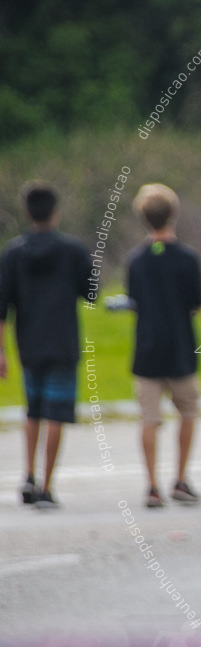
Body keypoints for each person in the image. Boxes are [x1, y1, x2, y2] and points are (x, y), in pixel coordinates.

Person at [0, 181, 94, 508]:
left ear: (28, 212)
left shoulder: (12, 252)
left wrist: (1, 350)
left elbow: (2, 306)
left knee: (33, 409)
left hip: (28, 342)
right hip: (62, 341)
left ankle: (27, 475)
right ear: (55, 211)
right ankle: (47, 485)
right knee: (57, 412)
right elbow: (91, 292)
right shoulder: (73, 250)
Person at [125, 184, 201, 508]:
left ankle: (152, 485)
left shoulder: (136, 260)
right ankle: (181, 479)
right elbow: (196, 303)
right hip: (181, 347)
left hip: (146, 348)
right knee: (187, 412)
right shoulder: (188, 258)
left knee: (149, 418)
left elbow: (133, 301)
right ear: (173, 214)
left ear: (142, 217)